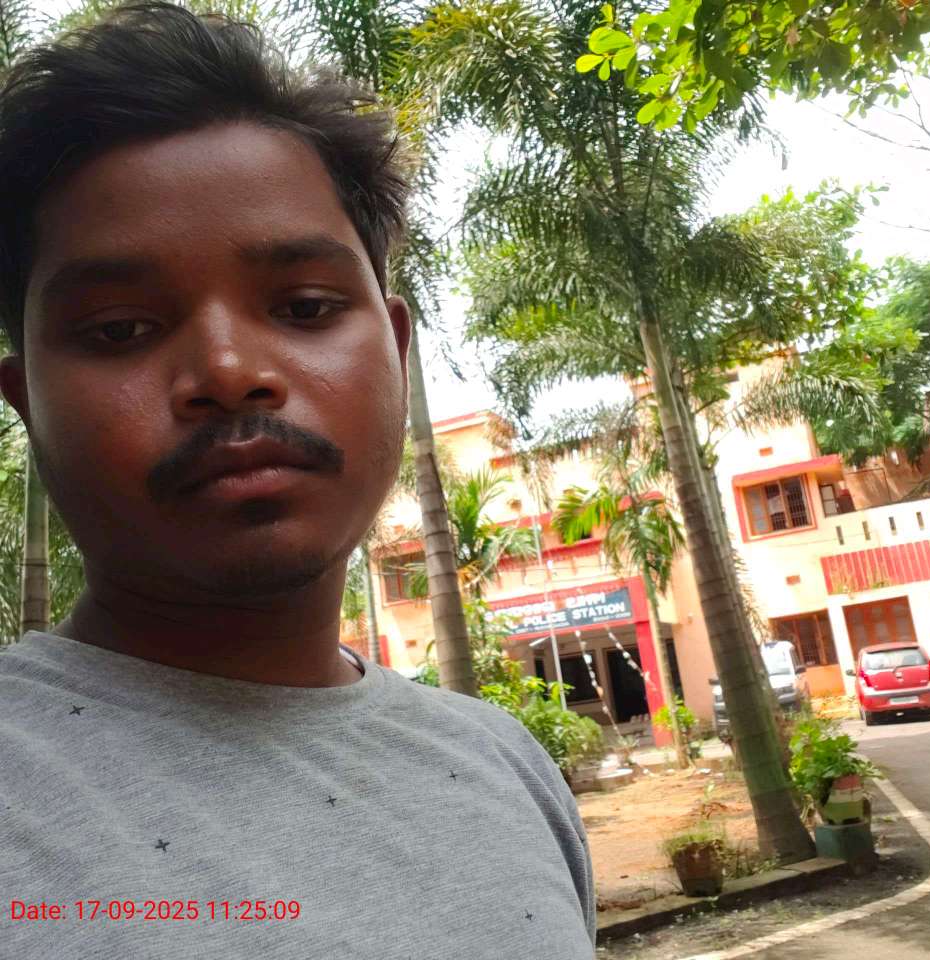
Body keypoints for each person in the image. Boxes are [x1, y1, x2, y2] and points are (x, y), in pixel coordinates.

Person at [0, 4, 596, 956]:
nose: (229, 371)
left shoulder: (505, 767)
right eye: (120, 328)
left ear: (394, 347)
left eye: (306, 307)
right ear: (27, 399)